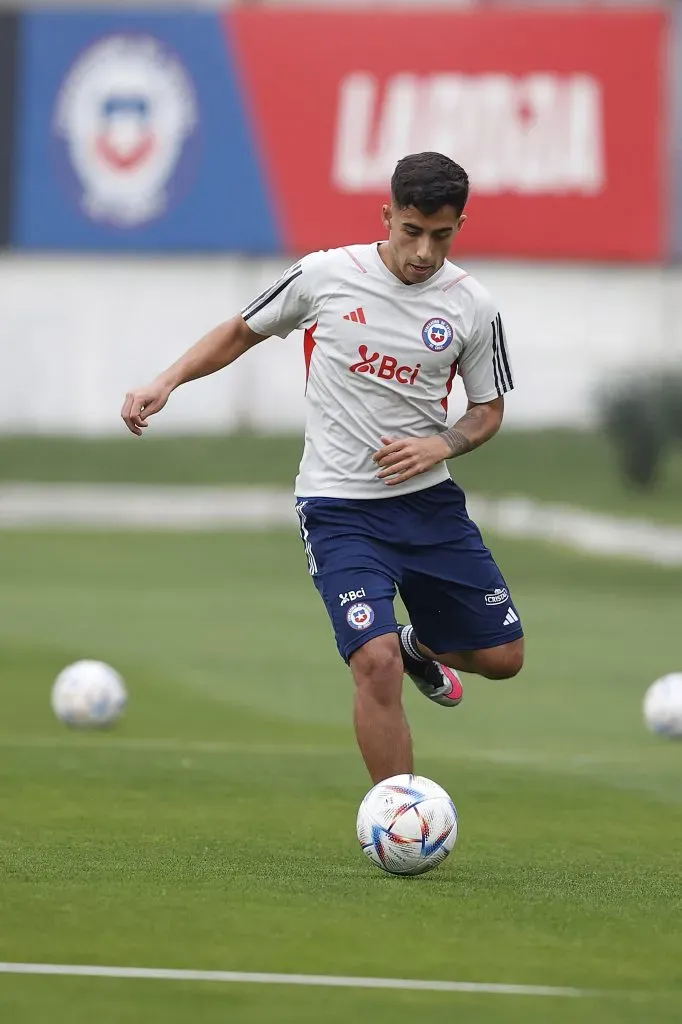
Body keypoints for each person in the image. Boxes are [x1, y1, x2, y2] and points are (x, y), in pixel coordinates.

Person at [121, 151, 524, 783]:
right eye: (411, 231)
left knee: (503, 657)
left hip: (428, 506)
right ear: (387, 215)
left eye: (440, 236)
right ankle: (399, 815)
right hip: (338, 510)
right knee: (374, 660)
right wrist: (166, 381)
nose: (423, 251)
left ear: (459, 225)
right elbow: (240, 330)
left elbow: (487, 410)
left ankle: (422, 645)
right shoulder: (326, 275)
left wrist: (442, 445)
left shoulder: (473, 306)